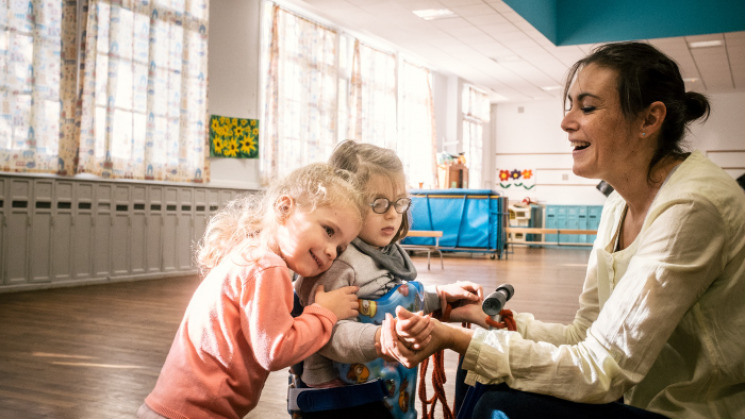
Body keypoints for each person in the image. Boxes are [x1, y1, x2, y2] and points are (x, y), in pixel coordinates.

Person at [383, 42, 745, 418]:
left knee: (498, 397)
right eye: (569, 105)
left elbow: (600, 369)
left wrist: (462, 340)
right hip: (635, 394)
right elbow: (585, 336)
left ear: (649, 120)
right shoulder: (619, 204)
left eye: (587, 107)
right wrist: (482, 320)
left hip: (692, 411)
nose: (566, 121)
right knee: (480, 372)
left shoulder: (692, 205)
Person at [138, 163, 368, 419]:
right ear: (284, 208)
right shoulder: (268, 267)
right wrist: (324, 313)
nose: (331, 252)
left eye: (340, 248)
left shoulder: (250, 255)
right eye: (328, 231)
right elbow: (275, 351)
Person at [291, 140, 488, 418]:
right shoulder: (337, 261)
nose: (393, 213)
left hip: (386, 390)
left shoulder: (383, 251)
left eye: (399, 203)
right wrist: (379, 338)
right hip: (341, 400)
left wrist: (440, 296)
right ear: (345, 201)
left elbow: (394, 298)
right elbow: (327, 334)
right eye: (379, 203)